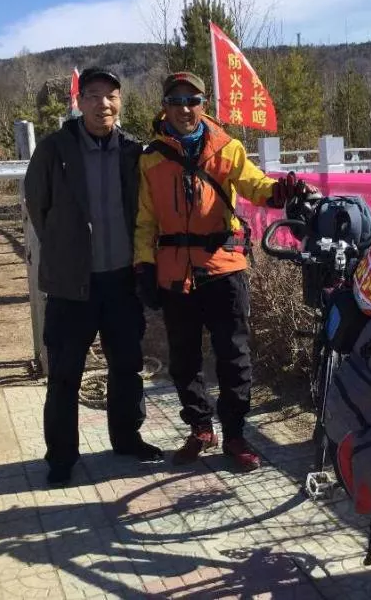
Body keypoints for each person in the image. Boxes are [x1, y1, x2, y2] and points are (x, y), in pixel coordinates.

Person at [134, 71, 310, 471]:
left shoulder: (227, 149)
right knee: (183, 358)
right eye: (176, 100)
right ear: (164, 105)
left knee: (234, 356)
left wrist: (281, 191)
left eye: (193, 100)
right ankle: (200, 427)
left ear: (204, 104)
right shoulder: (150, 158)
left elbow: (255, 185)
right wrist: (142, 265)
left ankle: (233, 434)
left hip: (224, 267)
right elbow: (145, 220)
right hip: (175, 272)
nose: (184, 108)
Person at [25, 67, 163, 486]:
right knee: (66, 373)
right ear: (80, 101)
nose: (103, 103)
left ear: (120, 102)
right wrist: (67, 249)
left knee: (127, 364)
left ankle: (127, 438)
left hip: (121, 280)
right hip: (72, 286)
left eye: (111, 96)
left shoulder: (132, 151)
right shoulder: (54, 149)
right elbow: (38, 206)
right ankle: (62, 457)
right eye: (94, 95)